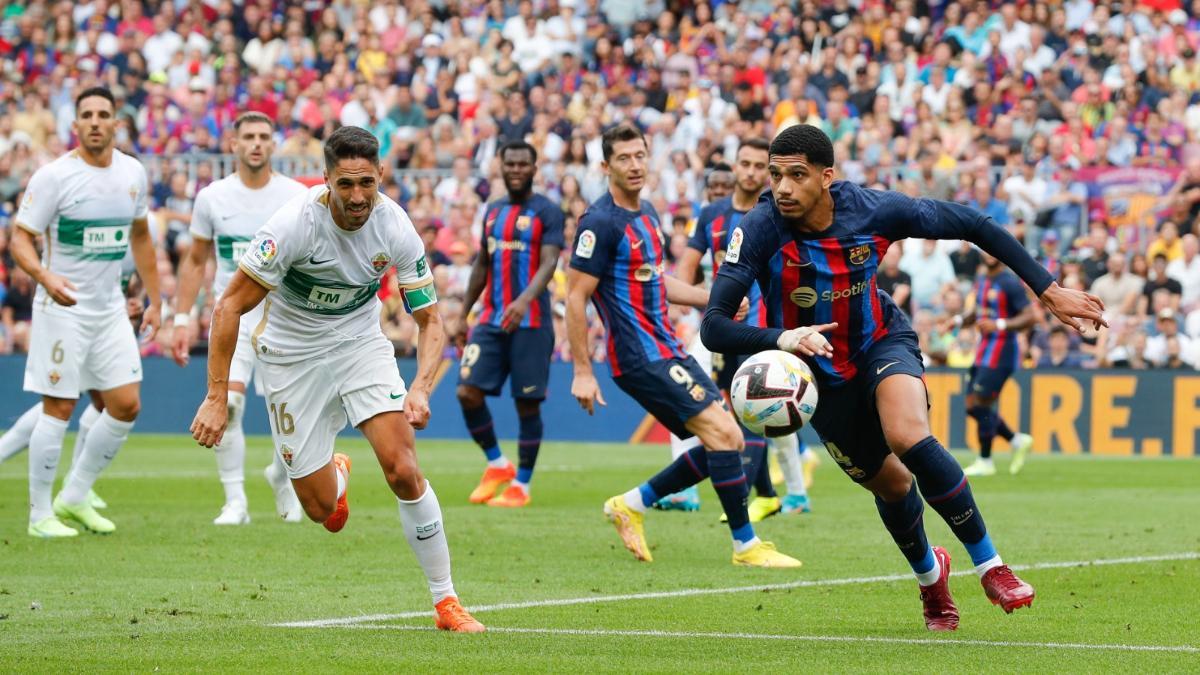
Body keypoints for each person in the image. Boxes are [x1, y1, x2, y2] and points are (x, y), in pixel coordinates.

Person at [702, 125, 1105, 629]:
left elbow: (974, 223)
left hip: (880, 343)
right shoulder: (759, 227)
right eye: (776, 175)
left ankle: (991, 565)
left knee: (908, 435)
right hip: (817, 376)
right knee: (893, 488)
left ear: (826, 178)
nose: (782, 188)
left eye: (797, 176)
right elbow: (714, 326)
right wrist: (782, 339)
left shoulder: (874, 210)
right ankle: (930, 577)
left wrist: (1046, 288)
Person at [188, 126, 484, 632]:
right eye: (345, 184)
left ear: (381, 176)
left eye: (366, 183)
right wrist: (217, 395)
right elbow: (229, 305)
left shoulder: (395, 227)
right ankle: (337, 472)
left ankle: (446, 602)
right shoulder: (292, 225)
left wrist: (420, 387)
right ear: (325, 179)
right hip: (289, 356)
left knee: (403, 468)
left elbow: (431, 320)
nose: (357, 196)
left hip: (359, 345)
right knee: (321, 509)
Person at [566, 124, 801, 568]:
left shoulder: (647, 213)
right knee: (723, 434)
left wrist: (715, 298)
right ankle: (745, 546)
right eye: (623, 158)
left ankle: (632, 504)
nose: (635, 165)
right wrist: (581, 370)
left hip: (667, 347)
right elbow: (576, 296)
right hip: (639, 356)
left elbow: (658, 280)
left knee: (727, 438)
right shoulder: (599, 223)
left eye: (640, 155)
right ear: (605, 166)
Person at [11, 86, 162, 538]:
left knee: (125, 404)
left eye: (103, 115)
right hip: (63, 309)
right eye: (87, 115)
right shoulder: (54, 177)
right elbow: (20, 238)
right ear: (75, 125)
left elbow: (140, 238)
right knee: (58, 406)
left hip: (110, 310)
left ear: (116, 124)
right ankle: (40, 515)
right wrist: (45, 276)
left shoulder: (133, 173)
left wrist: (157, 300)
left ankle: (74, 497)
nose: (95, 122)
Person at [171, 112, 308, 525]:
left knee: (294, 413)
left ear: (273, 144)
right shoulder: (212, 197)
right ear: (233, 143)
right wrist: (181, 317)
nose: (256, 144)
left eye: (264, 137)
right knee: (227, 404)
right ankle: (235, 502)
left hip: (284, 317)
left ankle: (282, 478)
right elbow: (196, 260)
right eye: (248, 136)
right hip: (233, 316)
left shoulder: (294, 196)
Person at [672, 137, 814, 518]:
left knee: (770, 407)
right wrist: (700, 300)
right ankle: (696, 492)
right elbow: (687, 266)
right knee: (691, 396)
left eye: (758, 165)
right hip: (719, 326)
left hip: (765, 328)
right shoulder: (710, 215)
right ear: (734, 166)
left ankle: (790, 493)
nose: (751, 172)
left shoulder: (781, 212)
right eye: (745, 164)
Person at [451, 141, 563, 508]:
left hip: (530, 322)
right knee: (467, 391)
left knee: (526, 405)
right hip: (491, 319)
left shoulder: (547, 211)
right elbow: (483, 263)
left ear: (534, 168)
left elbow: (548, 263)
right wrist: (464, 313)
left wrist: (524, 300)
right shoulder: (493, 211)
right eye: (510, 163)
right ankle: (498, 464)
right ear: (500, 166)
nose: (516, 169)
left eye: (523, 164)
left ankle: (522, 486)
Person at [945, 253, 1036, 477]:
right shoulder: (983, 279)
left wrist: (1001, 324)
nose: (988, 254)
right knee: (971, 406)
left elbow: (1030, 317)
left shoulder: (1009, 282)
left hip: (1003, 351)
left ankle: (985, 460)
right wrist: (957, 321)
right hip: (984, 349)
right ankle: (1015, 440)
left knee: (982, 403)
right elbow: (978, 312)